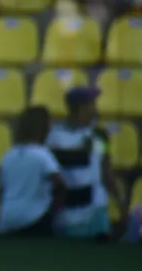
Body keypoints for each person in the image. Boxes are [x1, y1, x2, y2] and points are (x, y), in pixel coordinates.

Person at [47, 87, 125, 241]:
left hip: (96, 210)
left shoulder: (99, 136)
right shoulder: (54, 137)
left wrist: (120, 203)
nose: (95, 109)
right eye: (92, 104)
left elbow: (106, 171)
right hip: (67, 213)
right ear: (81, 107)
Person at [0, 105, 65, 237]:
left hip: (7, 217)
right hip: (35, 218)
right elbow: (60, 184)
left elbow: (2, 187)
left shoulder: (8, 155)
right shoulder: (42, 154)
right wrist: (57, 205)